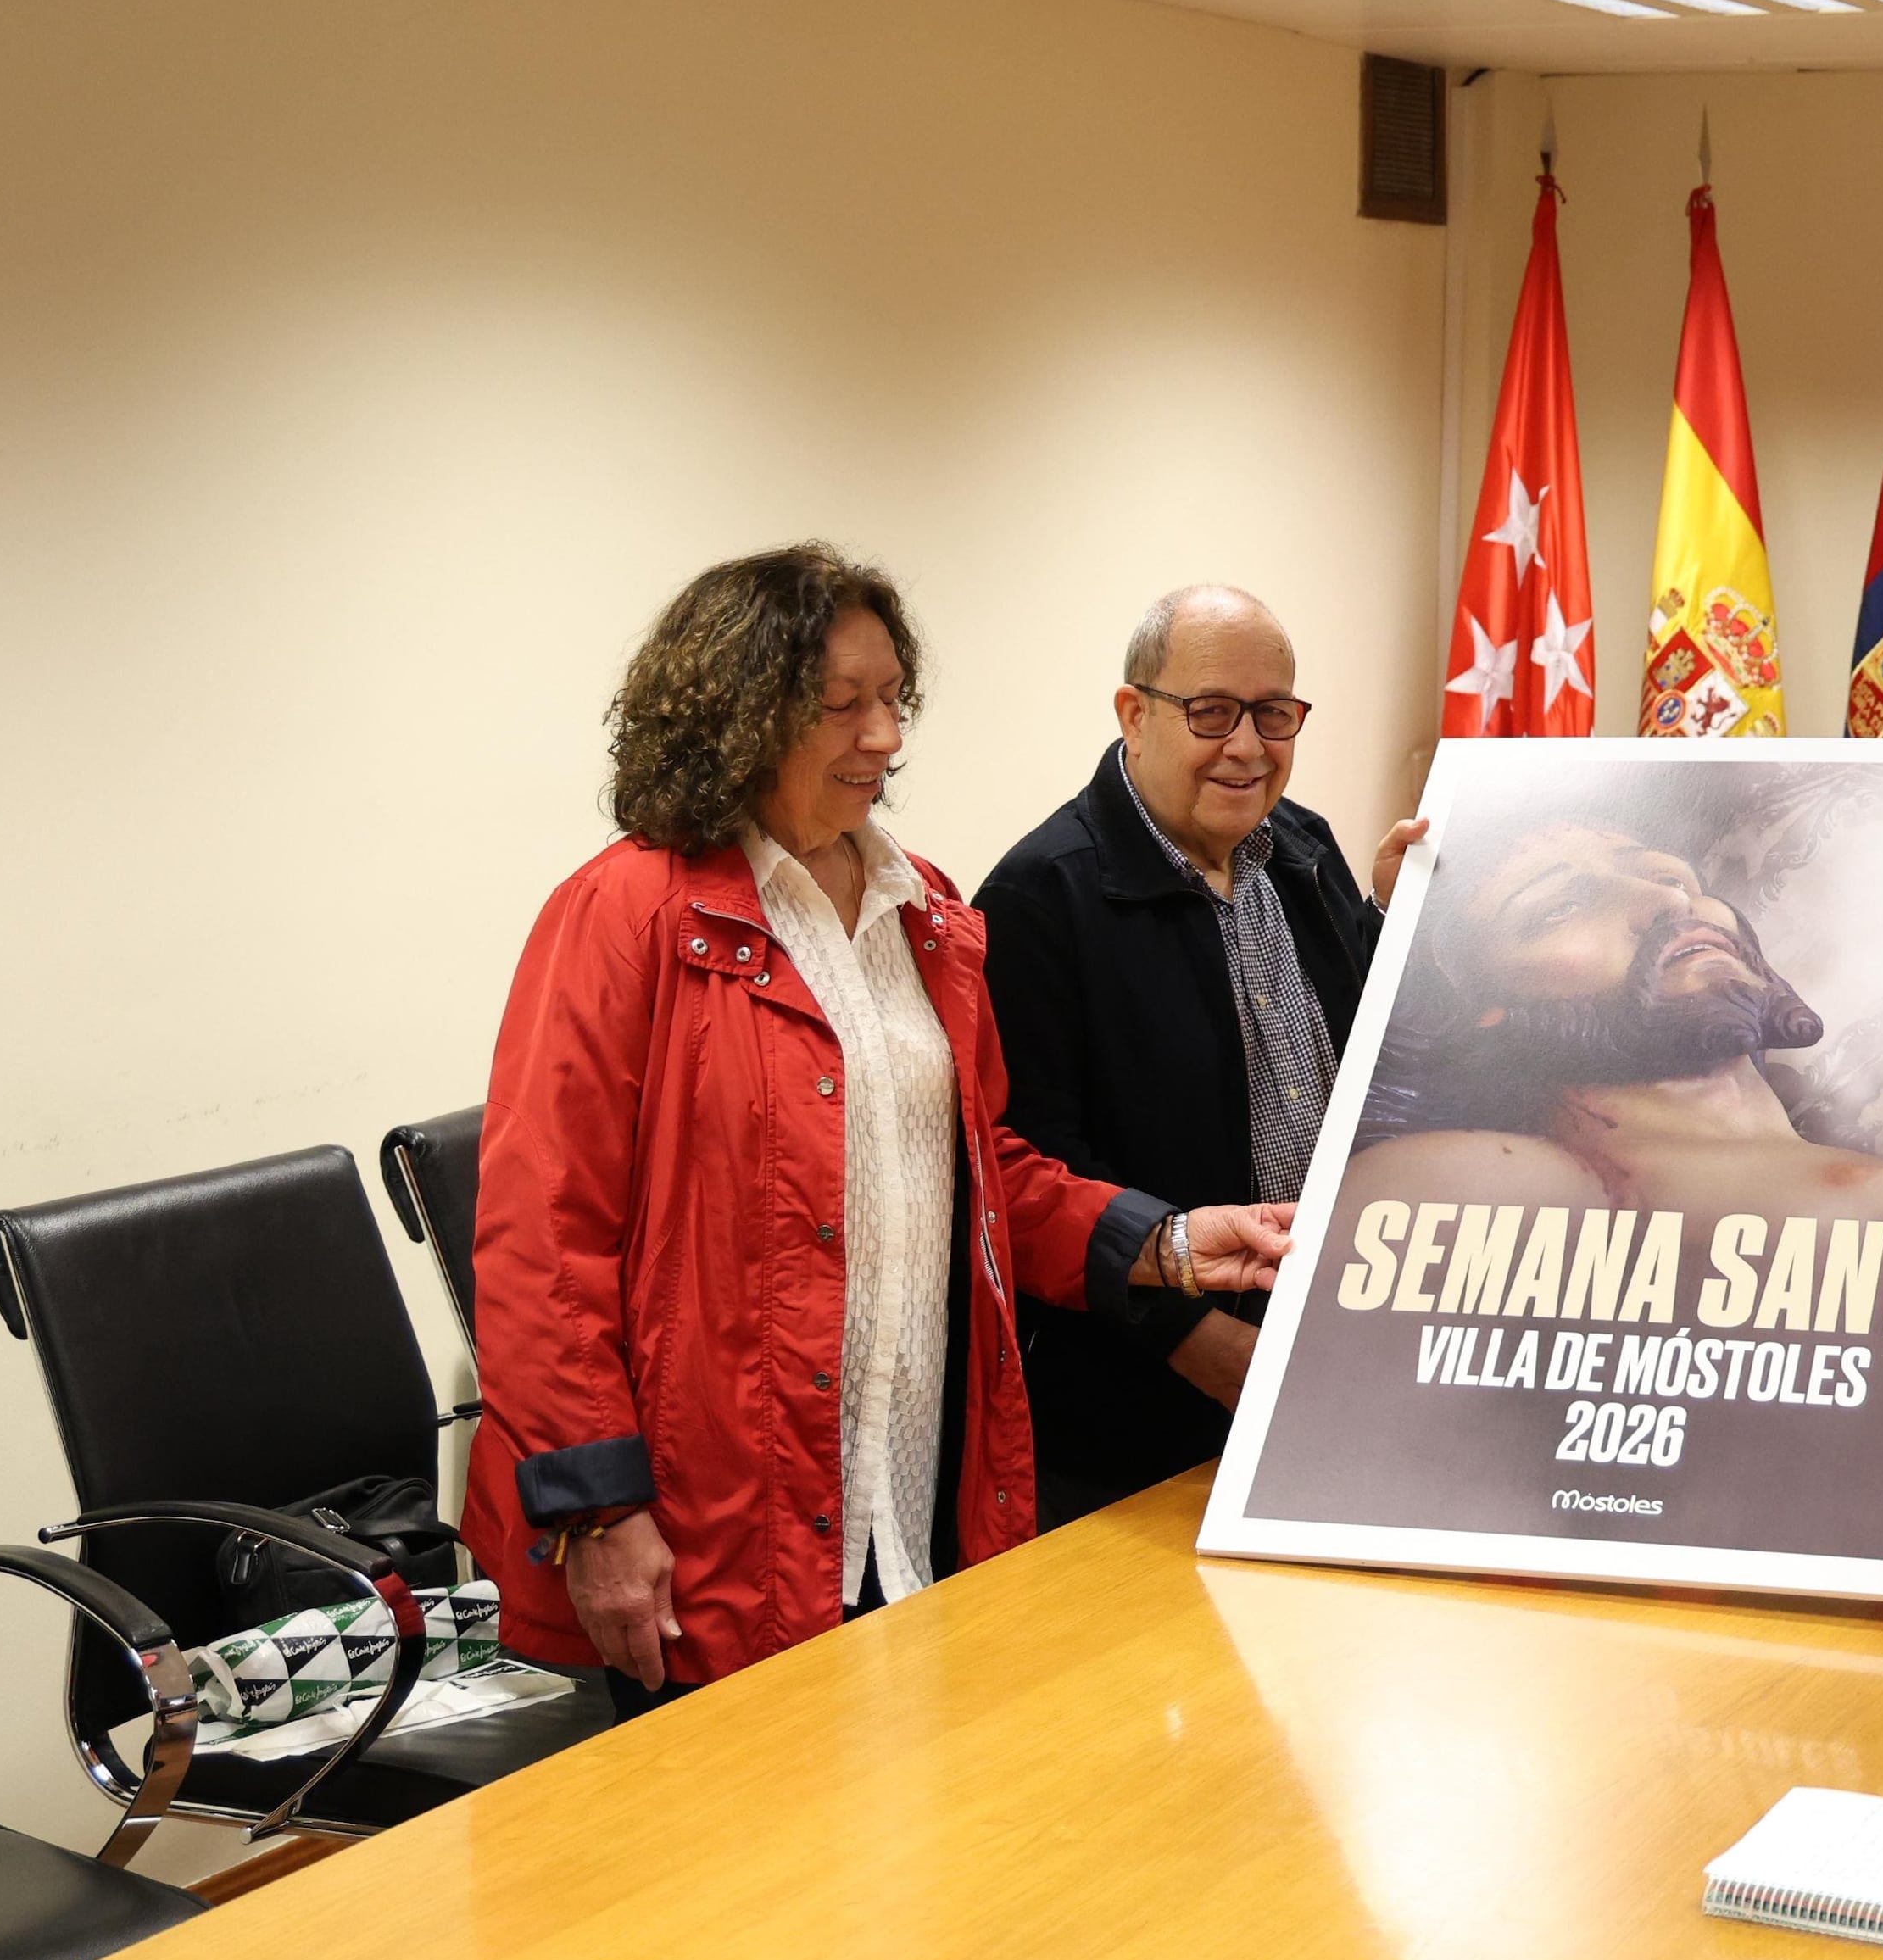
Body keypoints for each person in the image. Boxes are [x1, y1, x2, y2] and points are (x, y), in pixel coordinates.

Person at [464, 544, 1296, 1716]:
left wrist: (1161, 1241)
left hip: (910, 1497)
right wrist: (601, 1509)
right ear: (739, 711)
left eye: (893, 698)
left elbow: (987, 1174)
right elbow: (543, 1241)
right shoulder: (625, 912)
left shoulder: (930, 914)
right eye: (839, 703)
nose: (885, 737)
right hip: (713, 1523)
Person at [979, 585, 1418, 1525]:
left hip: (1325, 1356)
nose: (1248, 747)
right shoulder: (1037, 898)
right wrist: (1194, 1337)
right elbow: (1031, 1175)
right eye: (1212, 712)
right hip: (1136, 1417)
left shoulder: (1301, 846)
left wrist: (1391, 918)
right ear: (1133, 714)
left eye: (1274, 714)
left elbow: (1356, 1059)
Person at [1339, 812, 1883, 1286]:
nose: (1667, 898)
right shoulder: (1486, 1178)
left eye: (1672, 875)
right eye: (1558, 907)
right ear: (1480, 1008)